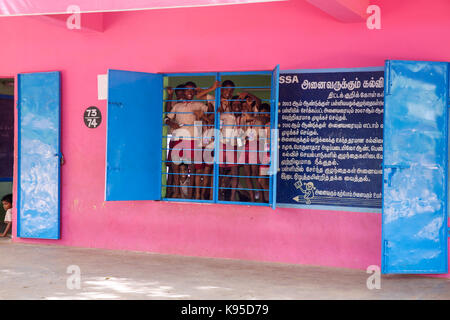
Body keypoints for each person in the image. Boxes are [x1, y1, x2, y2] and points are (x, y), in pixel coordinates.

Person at [165, 81, 209, 198]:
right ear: (184, 92)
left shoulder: (198, 104)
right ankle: (177, 192)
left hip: (192, 139)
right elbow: (166, 117)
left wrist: (204, 95)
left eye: (192, 90)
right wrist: (170, 123)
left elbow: (210, 112)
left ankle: (190, 194)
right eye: (187, 90)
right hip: (178, 138)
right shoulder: (177, 106)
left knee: (192, 167)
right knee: (175, 165)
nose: (189, 92)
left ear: (194, 92)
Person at [165, 84, 186, 198]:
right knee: (173, 167)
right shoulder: (175, 105)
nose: (181, 97)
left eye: (182, 94)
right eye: (178, 95)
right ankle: (170, 192)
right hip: (175, 138)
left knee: (185, 167)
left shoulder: (190, 105)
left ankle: (184, 193)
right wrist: (170, 95)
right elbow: (166, 114)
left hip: (187, 139)